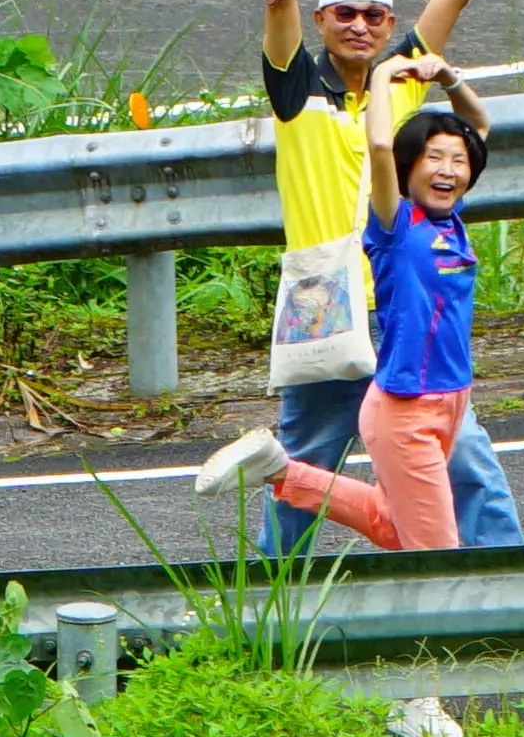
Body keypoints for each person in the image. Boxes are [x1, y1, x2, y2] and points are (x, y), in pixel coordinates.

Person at [235, 0, 524, 550]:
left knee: (461, 452)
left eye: (374, 15)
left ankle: (516, 582)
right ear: (323, 22)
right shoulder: (295, 88)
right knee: (306, 460)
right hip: (325, 299)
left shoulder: (403, 81)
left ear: (391, 22)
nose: (360, 26)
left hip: (401, 297)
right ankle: (270, 606)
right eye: (344, 14)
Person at [201, 66, 490, 551]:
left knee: (395, 526)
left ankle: (280, 469)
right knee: (436, 553)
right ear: (406, 168)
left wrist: (448, 77)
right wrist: (389, 74)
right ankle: (449, 627)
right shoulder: (395, 223)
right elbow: (379, 146)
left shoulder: (451, 219)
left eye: (457, 162)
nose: (447, 169)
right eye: (433, 158)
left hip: (451, 401)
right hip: (408, 407)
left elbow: (478, 127)